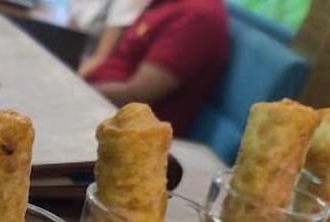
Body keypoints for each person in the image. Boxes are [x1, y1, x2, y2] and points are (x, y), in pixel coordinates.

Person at [81, 0, 230, 136]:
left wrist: (80, 92)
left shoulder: (197, 16)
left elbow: (136, 95)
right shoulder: (165, 4)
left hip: (125, 133)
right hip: (102, 109)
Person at [70, 0, 151, 79]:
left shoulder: (127, 3)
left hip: (91, 71)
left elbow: (100, 58)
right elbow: (71, 34)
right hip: (76, 59)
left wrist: (70, 78)